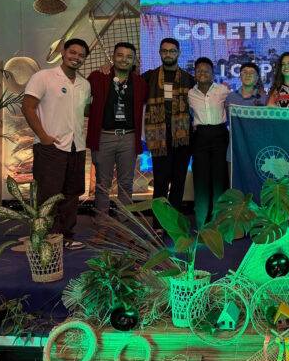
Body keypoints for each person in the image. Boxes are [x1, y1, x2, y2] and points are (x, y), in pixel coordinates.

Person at [22, 38, 92, 250]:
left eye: (81, 55)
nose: (76, 57)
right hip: (50, 147)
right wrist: (43, 136)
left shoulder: (84, 84)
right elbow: (27, 107)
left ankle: (66, 237)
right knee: (48, 195)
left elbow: (84, 112)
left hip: (76, 147)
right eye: (73, 52)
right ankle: (45, 239)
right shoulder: (43, 77)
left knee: (72, 194)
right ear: (63, 52)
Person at [86, 42, 148, 221]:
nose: (124, 60)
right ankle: (102, 224)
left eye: (129, 57)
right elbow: (84, 103)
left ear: (134, 60)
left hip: (128, 137)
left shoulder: (140, 83)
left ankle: (124, 225)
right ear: (113, 57)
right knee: (102, 185)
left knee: (126, 184)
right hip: (104, 137)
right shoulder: (98, 77)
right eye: (120, 55)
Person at [142, 38, 195, 216]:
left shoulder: (189, 79)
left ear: (178, 53)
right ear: (159, 53)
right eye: (164, 51)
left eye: (172, 51)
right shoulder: (149, 77)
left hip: (183, 138)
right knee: (160, 183)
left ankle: (174, 223)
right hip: (159, 138)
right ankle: (159, 223)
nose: (168, 54)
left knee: (179, 183)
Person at [189, 57, 231, 226]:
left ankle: (218, 220)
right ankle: (201, 221)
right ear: (195, 74)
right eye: (199, 70)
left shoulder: (223, 90)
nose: (202, 73)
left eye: (206, 70)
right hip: (200, 138)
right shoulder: (190, 93)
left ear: (213, 73)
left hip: (220, 136)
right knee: (201, 179)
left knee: (220, 179)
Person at [225, 62, 266, 175]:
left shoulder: (264, 99)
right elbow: (227, 121)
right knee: (233, 183)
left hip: (256, 149)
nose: (248, 75)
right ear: (240, 76)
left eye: (252, 73)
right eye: (244, 72)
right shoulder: (230, 97)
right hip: (234, 150)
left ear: (257, 78)